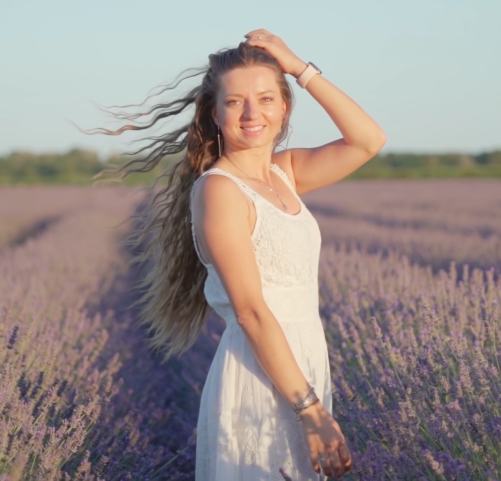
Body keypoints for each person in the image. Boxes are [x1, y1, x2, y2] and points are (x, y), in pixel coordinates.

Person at [87, 29, 386, 479]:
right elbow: (250, 312)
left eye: (266, 98)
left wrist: (300, 67)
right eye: (234, 102)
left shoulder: (284, 173)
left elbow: (368, 141)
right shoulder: (221, 191)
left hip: (304, 363)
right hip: (261, 377)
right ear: (214, 113)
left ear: (284, 107)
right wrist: (310, 410)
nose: (252, 114)